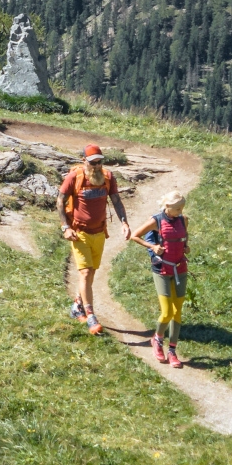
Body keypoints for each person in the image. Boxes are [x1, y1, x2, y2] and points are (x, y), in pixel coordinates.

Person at [57, 145, 126, 335]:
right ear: (84, 161)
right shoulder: (75, 177)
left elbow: (116, 200)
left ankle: (77, 306)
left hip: (99, 233)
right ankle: (91, 316)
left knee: (92, 272)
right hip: (79, 233)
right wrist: (65, 227)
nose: (96, 166)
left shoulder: (108, 177)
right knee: (86, 272)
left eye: (99, 162)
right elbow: (60, 201)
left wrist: (124, 222)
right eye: (92, 162)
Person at [131, 191, 189, 366]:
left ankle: (172, 351)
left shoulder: (183, 220)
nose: (180, 212)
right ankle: (157, 339)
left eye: (182, 208)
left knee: (177, 311)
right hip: (162, 270)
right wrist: (152, 246)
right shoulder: (156, 221)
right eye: (177, 209)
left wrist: (186, 247)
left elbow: (184, 236)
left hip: (180, 269)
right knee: (167, 312)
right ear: (168, 206)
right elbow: (134, 235)